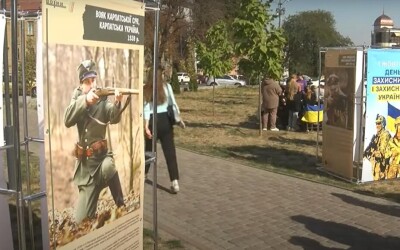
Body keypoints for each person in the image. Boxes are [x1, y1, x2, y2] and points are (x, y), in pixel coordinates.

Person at [64, 59, 125, 223]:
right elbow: (67, 120)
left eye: (93, 80)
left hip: (101, 162)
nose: (91, 84)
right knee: (81, 221)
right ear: (81, 84)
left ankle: (121, 205)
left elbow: (113, 117)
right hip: (85, 170)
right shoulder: (77, 97)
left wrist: (118, 102)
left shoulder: (102, 100)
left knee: (109, 165)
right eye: (87, 81)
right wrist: (84, 101)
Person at [143, 70, 184, 193]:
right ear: (161, 76)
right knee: (170, 153)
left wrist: (146, 126)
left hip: (152, 121)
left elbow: (145, 109)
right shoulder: (167, 87)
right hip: (165, 121)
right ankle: (174, 182)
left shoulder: (146, 89)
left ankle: (144, 174)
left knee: (149, 150)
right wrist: (178, 118)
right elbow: (173, 104)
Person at [363, 114, 391, 181]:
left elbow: (381, 152)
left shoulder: (385, 135)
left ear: (383, 124)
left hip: (382, 166)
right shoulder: (377, 135)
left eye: (379, 123)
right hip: (376, 165)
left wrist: (371, 152)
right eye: (376, 123)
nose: (377, 125)